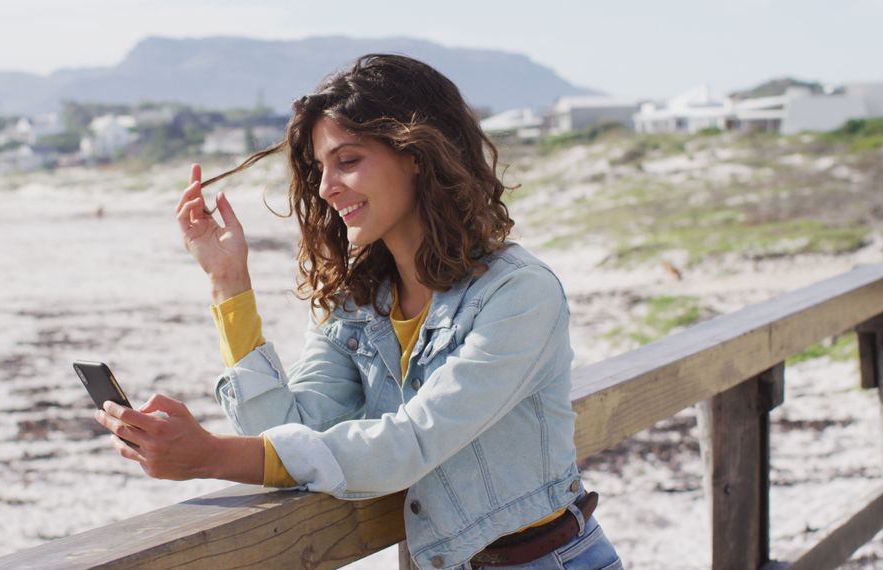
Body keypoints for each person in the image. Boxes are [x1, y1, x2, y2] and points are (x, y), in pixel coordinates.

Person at [94, 54, 622, 570]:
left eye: (347, 161)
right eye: (320, 168)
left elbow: (410, 443)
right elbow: (286, 426)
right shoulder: (357, 301)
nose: (326, 187)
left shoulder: (519, 295)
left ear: (418, 153)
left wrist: (210, 455)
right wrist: (227, 279)